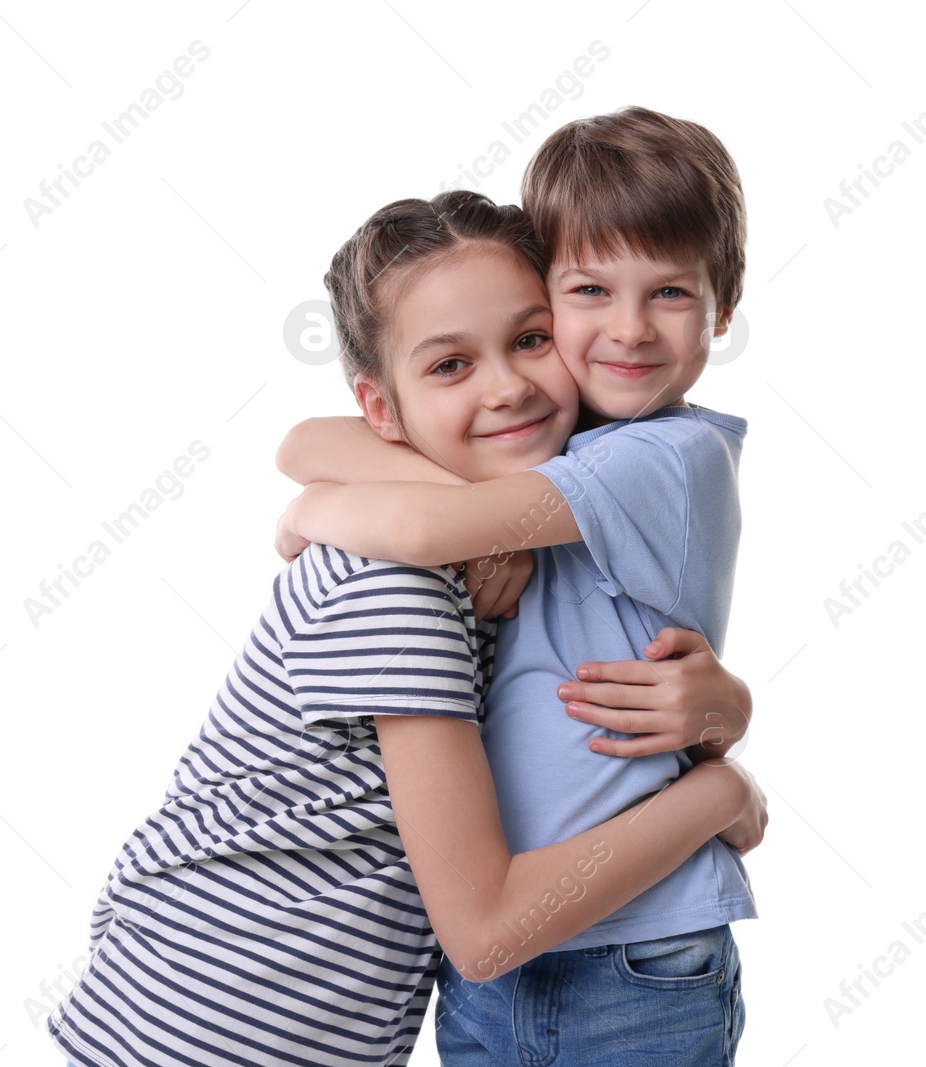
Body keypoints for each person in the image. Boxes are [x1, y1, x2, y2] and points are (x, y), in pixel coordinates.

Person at [46, 189, 765, 1067]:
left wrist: (726, 708)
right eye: (450, 365)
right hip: (207, 1025)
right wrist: (721, 794)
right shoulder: (401, 585)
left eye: (530, 339)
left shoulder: (531, 525)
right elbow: (487, 928)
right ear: (382, 408)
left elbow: (315, 444)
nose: (507, 385)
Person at [275, 105, 755, 1065]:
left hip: (634, 954)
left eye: (668, 292)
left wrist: (305, 513)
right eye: (587, 290)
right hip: (497, 964)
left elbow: (407, 521)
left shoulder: (668, 456)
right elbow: (307, 440)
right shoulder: (564, 441)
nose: (627, 328)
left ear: (721, 312)